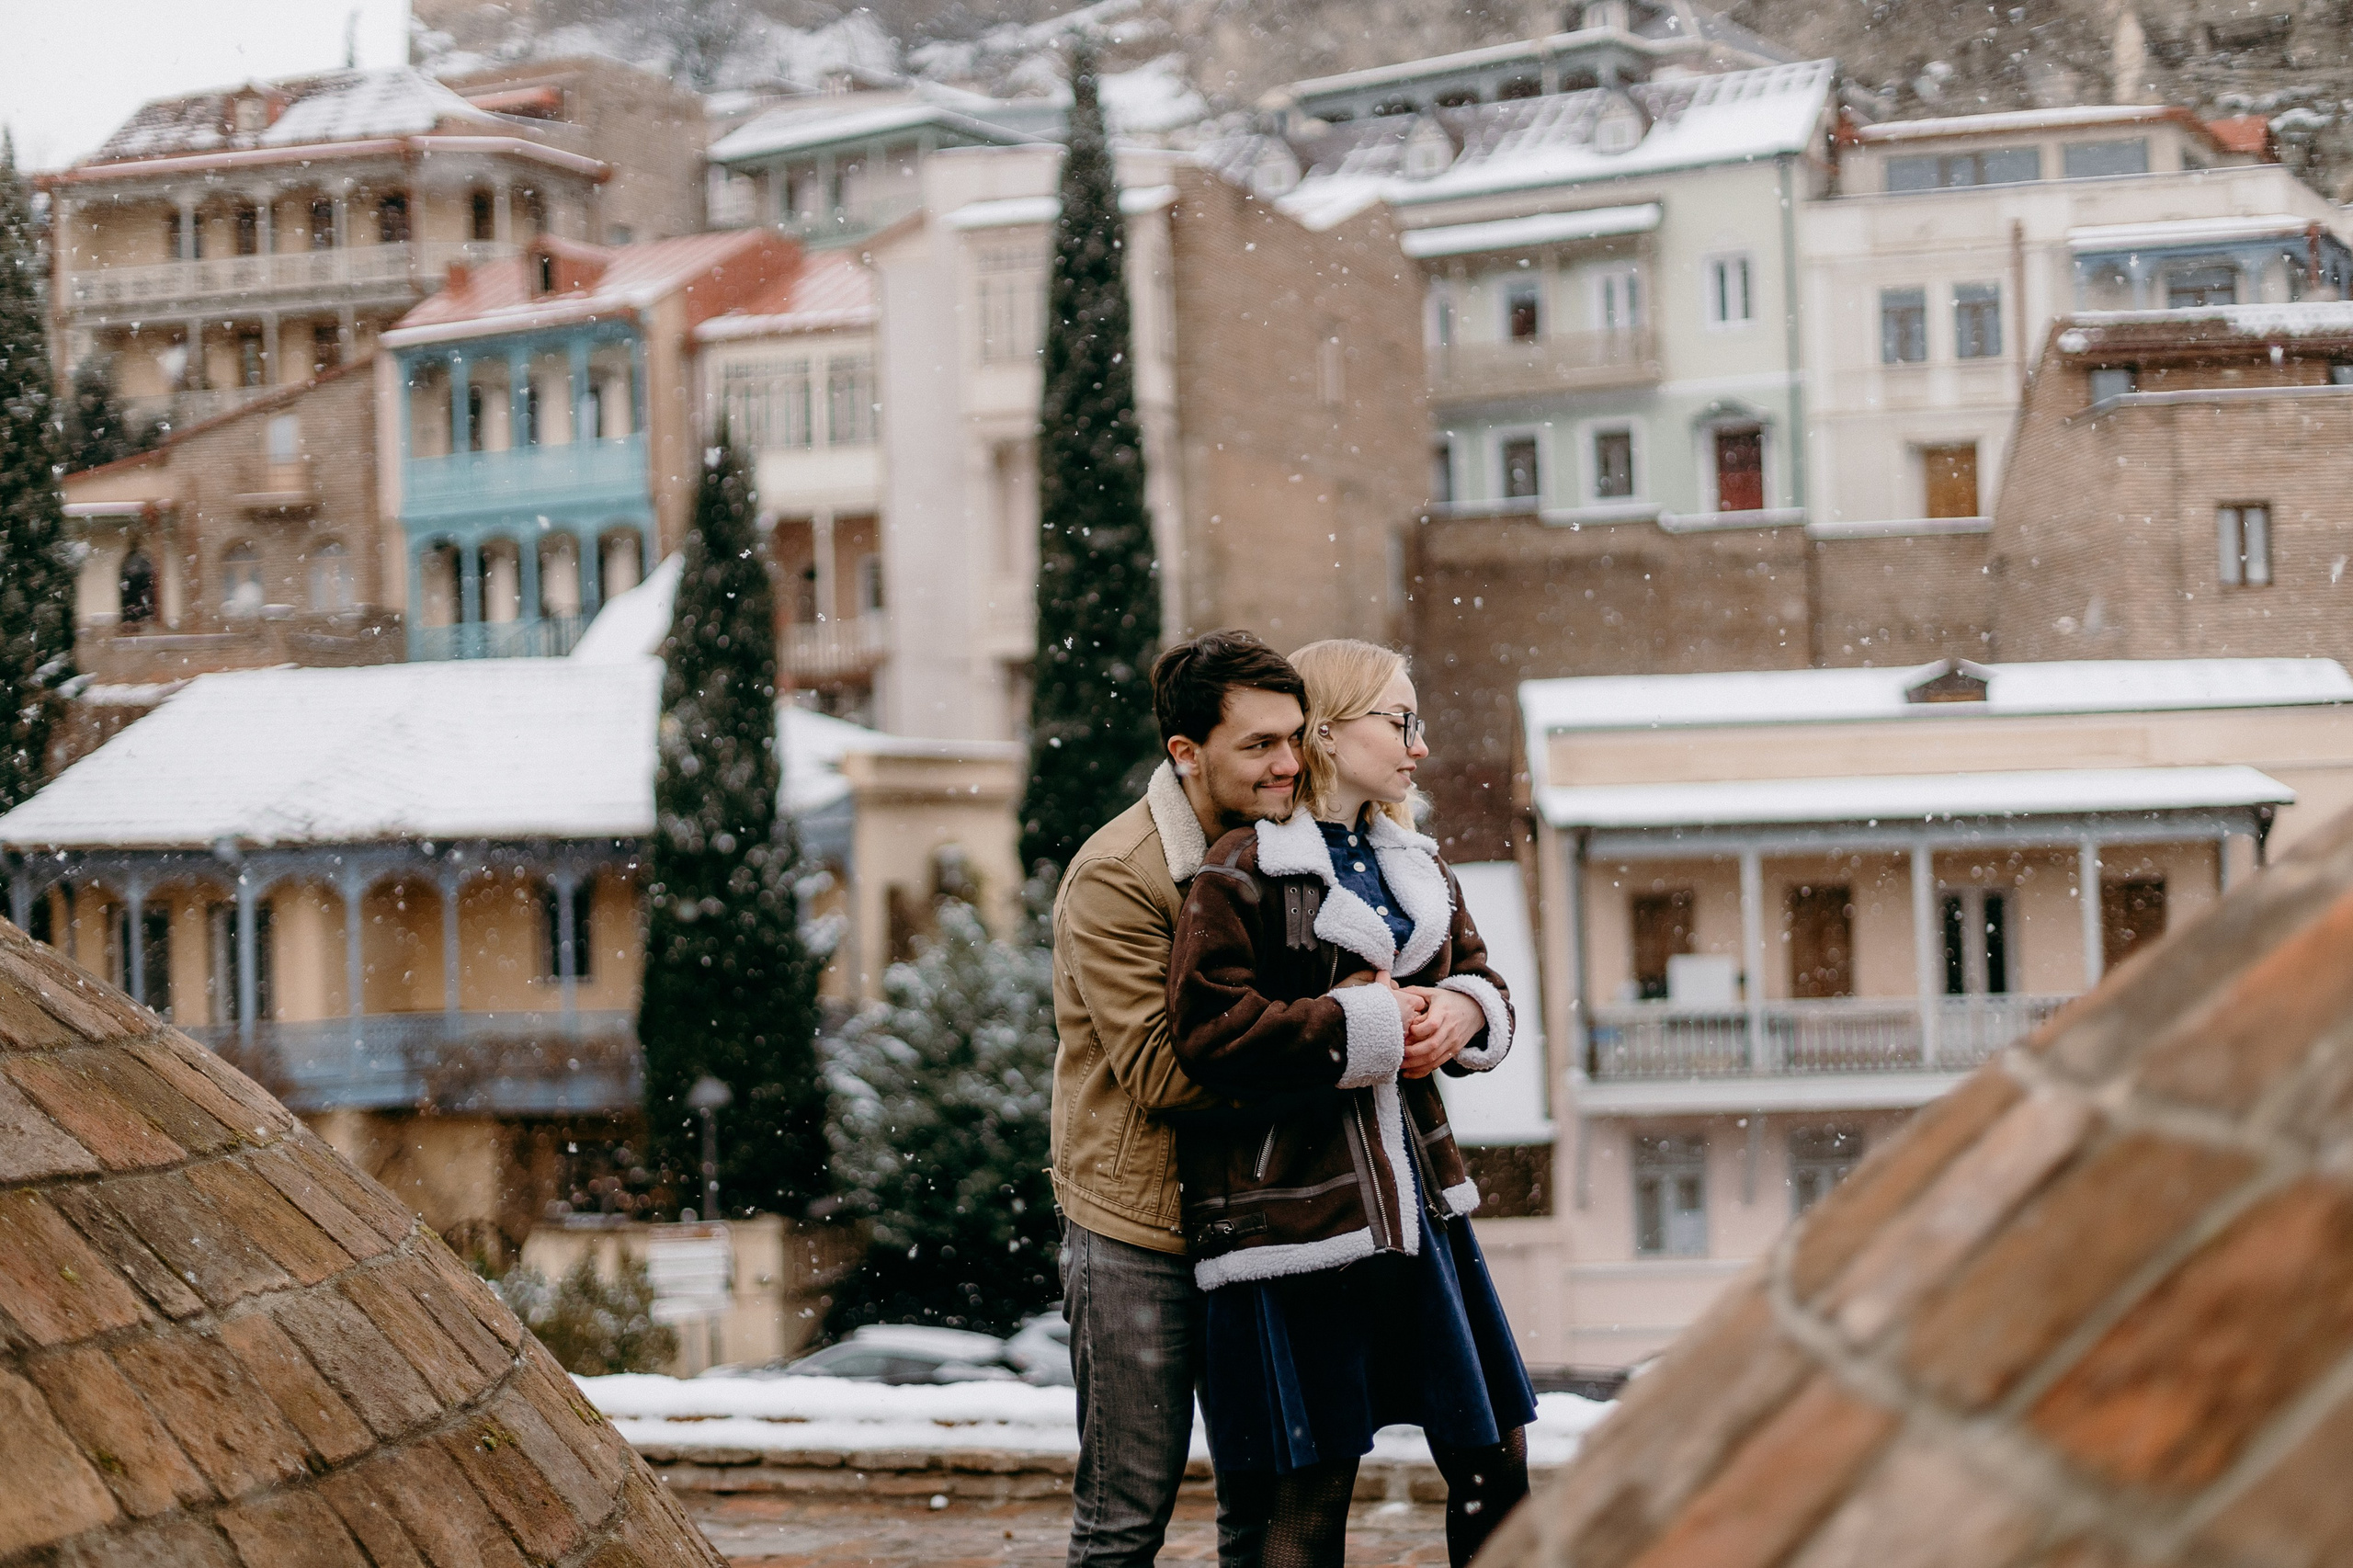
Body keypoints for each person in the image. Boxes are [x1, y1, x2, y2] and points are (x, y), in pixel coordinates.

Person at [1164, 638, 1537, 1568]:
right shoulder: (1243, 866)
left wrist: (1464, 1010)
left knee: (1495, 1459)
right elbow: (1208, 1031)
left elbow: (1484, 978)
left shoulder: (1416, 863)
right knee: (1311, 1491)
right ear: (1327, 731)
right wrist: (1358, 1023)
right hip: (1300, 1215)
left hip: (1422, 1210)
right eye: (1400, 721)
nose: (1419, 745)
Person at [1050, 630, 1308, 1568]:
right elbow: (1162, 1072)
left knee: (1270, 1514)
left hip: (1261, 1221)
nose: (1288, 763)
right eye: (1259, 744)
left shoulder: (1292, 844)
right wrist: (1340, 1047)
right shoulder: (1117, 875)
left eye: (1295, 737)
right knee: (1124, 1521)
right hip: (1140, 1231)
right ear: (1186, 752)